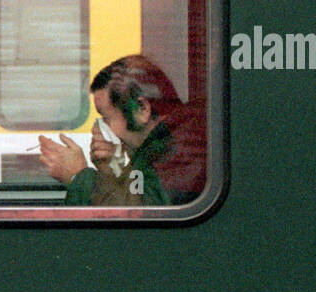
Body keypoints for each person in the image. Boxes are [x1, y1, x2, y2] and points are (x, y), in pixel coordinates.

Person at [38, 54, 205, 206]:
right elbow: (135, 196)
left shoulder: (182, 154)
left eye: (106, 118)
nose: (102, 131)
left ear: (141, 109)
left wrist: (79, 177)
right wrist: (109, 170)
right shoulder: (156, 150)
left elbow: (140, 221)